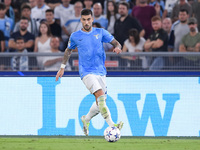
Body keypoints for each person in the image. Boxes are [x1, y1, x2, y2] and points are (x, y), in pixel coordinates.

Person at [56, 9, 123, 136]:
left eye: (88, 19)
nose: (86, 22)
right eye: (84, 20)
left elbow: (116, 42)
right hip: (86, 72)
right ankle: (113, 126)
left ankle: (86, 119)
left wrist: (118, 47)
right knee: (101, 97)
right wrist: (62, 67)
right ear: (81, 20)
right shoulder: (75, 36)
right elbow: (68, 50)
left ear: (92, 19)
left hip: (101, 72)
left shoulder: (101, 32)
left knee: (99, 103)